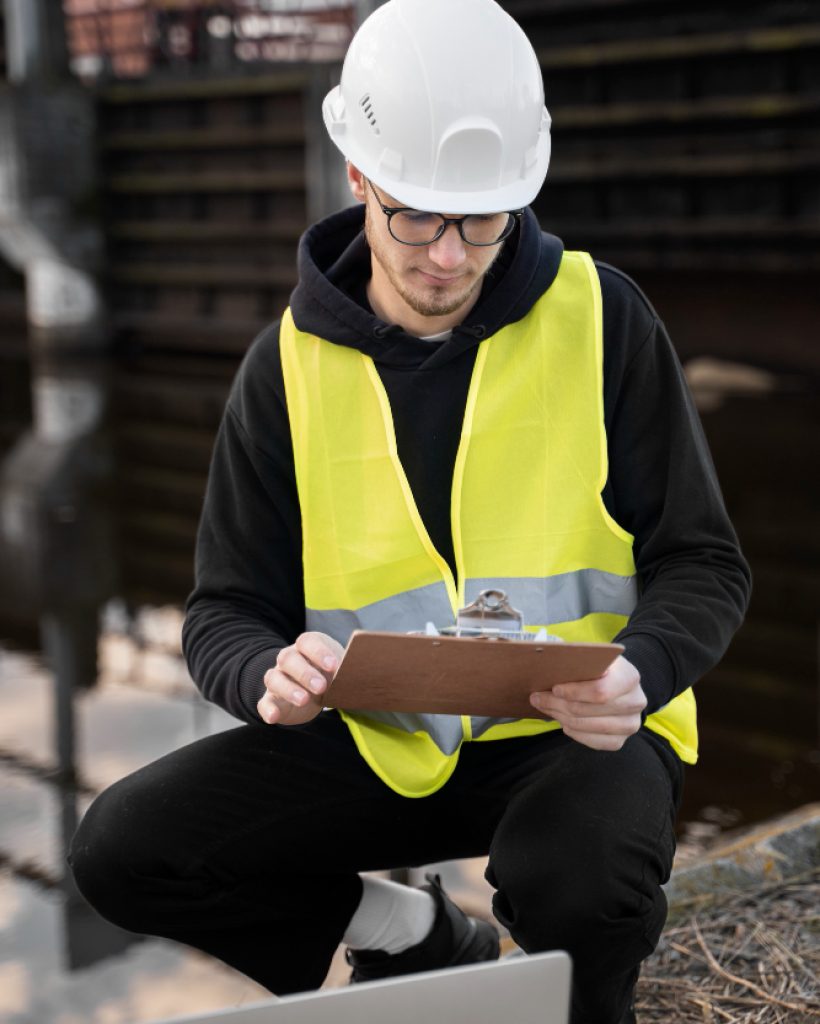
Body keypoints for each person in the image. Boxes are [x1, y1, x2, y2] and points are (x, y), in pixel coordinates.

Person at [68, 1, 751, 1021]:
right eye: (416, 216)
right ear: (359, 179)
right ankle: (414, 936)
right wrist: (265, 673)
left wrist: (640, 670)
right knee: (124, 849)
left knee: (581, 878)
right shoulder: (283, 371)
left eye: (480, 220)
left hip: (579, 735)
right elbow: (221, 612)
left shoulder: (601, 317)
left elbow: (704, 560)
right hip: (382, 742)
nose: (447, 255)